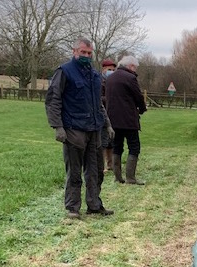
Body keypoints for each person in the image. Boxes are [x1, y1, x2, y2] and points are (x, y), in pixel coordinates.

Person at [45, 37, 114, 219]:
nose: (86, 56)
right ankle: (73, 208)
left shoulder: (94, 75)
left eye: (89, 53)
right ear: (74, 51)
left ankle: (94, 204)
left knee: (96, 171)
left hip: (94, 129)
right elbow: (53, 99)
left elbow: (98, 103)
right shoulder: (64, 72)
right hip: (73, 128)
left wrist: (107, 123)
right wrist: (57, 126)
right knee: (74, 171)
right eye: (83, 52)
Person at [105, 55, 147, 184]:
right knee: (134, 147)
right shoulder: (130, 78)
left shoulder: (110, 78)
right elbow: (138, 96)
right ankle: (130, 178)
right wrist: (142, 108)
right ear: (131, 66)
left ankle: (118, 177)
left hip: (113, 119)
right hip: (128, 119)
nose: (136, 70)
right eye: (135, 67)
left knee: (117, 146)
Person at [100, 58, 116, 173]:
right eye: (110, 69)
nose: (112, 72)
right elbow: (98, 98)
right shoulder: (99, 81)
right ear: (104, 69)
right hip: (102, 114)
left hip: (112, 114)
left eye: (113, 70)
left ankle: (110, 164)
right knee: (103, 142)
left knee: (111, 141)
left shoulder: (113, 82)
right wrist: (109, 99)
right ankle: (101, 165)